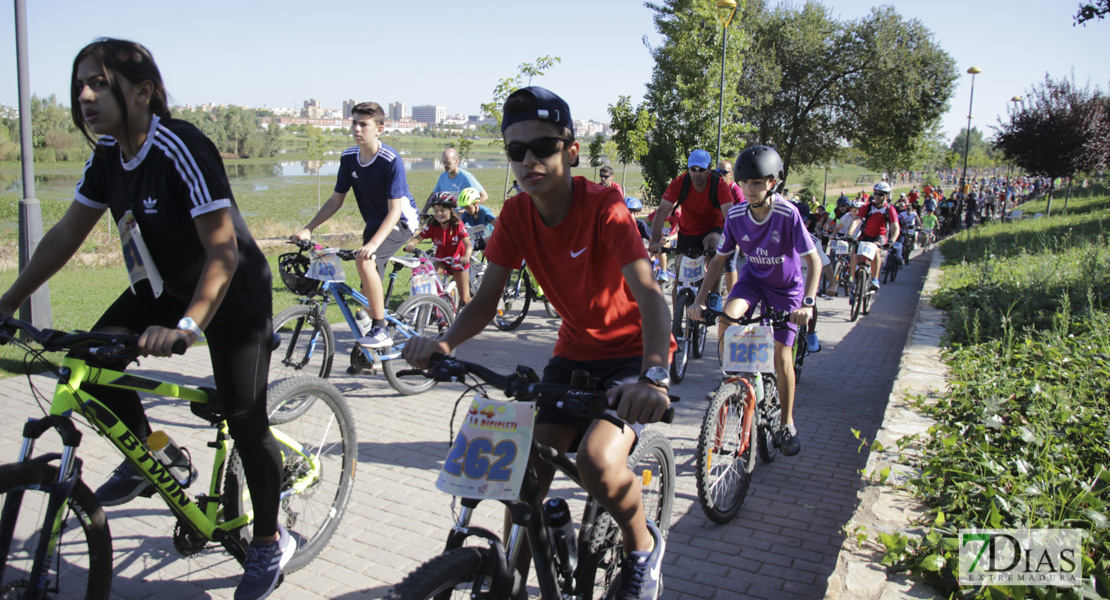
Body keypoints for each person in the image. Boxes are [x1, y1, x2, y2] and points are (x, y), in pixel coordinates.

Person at [0, 38, 289, 600]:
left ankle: (268, 541)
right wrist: (8, 302)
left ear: (143, 92)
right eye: (79, 84)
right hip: (164, 287)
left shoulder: (180, 146)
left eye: (99, 83)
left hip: (231, 295)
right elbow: (65, 234)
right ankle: (158, 454)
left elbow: (224, 252)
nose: (83, 96)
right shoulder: (108, 156)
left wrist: (187, 327)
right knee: (90, 359)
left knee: (244, 417)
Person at [403, 86, 673, 600]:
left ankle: (643, 549)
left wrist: (654, 376)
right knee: (524, 468)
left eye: (544, 146)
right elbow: (483, 304)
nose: (529, 160)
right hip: (572, 353)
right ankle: (512, 582)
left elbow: (651, 295)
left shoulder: (605, 209)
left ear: (571, 151)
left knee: (596, 462)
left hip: (633, 356)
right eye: (516, 151)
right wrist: (444, 343)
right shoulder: (514, 217)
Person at [687, 145, 820, 457]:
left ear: (773, 183)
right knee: (726, 319)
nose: (749, 189)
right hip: (753, 282)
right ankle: (731, 382)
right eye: (745, 183)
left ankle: (786, 423)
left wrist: (808, 303)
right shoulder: (735, 215)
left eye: (757, 183)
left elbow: (812, 261)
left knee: (781, 354)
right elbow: (719, 262)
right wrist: (700, 300)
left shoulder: (788, 214)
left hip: (787, 289)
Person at [292, 102, 419, 349]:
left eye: (364, 124)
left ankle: (381, 329)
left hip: (401, 222)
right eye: (354, 123)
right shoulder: (349, 158)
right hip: (375, 223)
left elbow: (394, 211)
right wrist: (309, 228)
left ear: (379, 128)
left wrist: (372, 244)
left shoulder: (390, 160)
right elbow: (335, 200)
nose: (357, 128)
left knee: (365, 261)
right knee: (365, 287)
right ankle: (369, 354)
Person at [648, 149, 736, 302]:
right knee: (680, 278)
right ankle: (676, 323)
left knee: (714, 245)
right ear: (688, 169)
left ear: (709, 169)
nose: (697, 173)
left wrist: (731, 241)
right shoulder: (680, 183)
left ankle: (714, 294)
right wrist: (655, 240)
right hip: (688, 233)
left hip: (711, 229)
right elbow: (661, 211)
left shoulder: (718, 184)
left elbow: (729, 216)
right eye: (693, 169)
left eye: (701, 170)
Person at [404, 192, 472, 306]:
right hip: (441, 260)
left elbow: (468, 245)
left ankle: (480, 312)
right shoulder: (433, 225)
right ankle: (434, 308)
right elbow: (419, 237)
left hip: (458, 262)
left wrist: (466, 257)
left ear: (451, 210)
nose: (439, 213)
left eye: (443, 210)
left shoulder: (458, 225)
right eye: (436, 210)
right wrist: (411, 244)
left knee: (465, 299)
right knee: (432, 284)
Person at [847, 181, 900, 291]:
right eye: (875, 193)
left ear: (886, 196)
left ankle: (875, 279)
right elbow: (857, 220)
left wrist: (892, 240)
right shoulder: (867, 206)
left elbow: (895, 227)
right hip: (866, 234)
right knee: (854, 251)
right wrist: (849, 234)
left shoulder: (890, 209)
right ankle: (853, 278)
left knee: (875, 249)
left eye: (880, 194)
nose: (876, 196)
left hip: (880, 236)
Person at [420, 147, 488, 216]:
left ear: (456, 160)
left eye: (447, 162)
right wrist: (423, 212)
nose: (445, 165)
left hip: (464, 219)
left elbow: (484, 196)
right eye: (443, 162)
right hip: (447, 218)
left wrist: (466, 209)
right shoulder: (442, 177)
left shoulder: (467, 177)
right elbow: (433, 195)